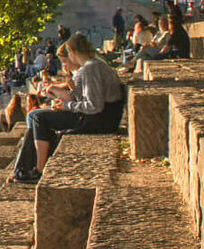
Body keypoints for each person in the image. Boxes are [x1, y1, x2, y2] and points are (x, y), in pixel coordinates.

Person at [12, 34, 125, 183]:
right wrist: (63, 100)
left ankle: (37, 170)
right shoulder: (95, 64)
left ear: (71, 51)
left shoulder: (90, 69)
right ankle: (24, 170)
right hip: (104, 117)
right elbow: (82, 97)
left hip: (97, 120)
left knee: (38, 118)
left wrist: (66, 106)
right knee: (38, 118)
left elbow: (94, 106)